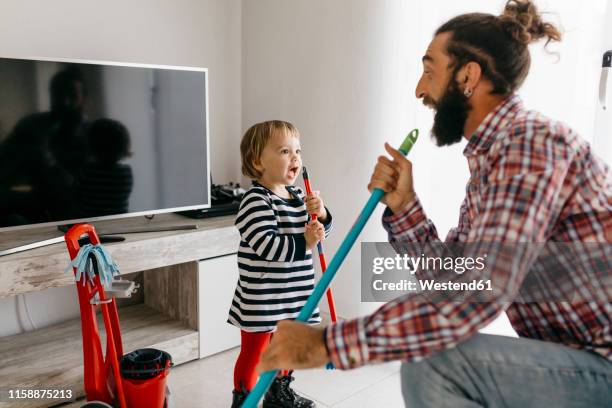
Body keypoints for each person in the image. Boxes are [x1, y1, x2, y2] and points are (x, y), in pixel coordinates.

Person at [256, 1, 612, 407]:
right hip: (577, 361)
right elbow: (453, 280)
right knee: (433, 356)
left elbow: (479, 294)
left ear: (468, 76)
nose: (420, 90)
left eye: (429, 71)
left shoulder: (530, 144)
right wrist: (406, 206)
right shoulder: (493, 161)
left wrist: (326, 343)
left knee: (433, 361)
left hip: (601, 365)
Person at [228, 120, 333, 407]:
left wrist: (321, 215)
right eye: (284, 150)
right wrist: (306, 242)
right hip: (262, 298)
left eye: (297, 150)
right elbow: (269, 247)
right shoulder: (255, 201)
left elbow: (318, 234)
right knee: (256, 352)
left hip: (293, 295)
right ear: (257, 161)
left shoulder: (299, 197)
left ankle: (278, 394)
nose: (295, 157)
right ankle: (244, 399)